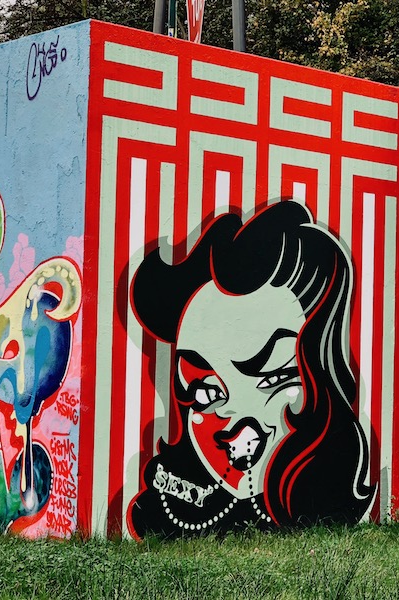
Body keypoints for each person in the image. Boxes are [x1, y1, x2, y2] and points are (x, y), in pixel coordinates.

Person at [128, 200, 373, 536]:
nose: (229, 410)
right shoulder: (169, 506)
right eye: (204, 389)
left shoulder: (328, 503)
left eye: (273, 377)